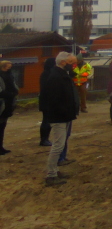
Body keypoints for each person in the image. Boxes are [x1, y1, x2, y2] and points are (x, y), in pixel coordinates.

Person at [41, 52, 79, 186]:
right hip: (59, 117)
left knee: (60, 144)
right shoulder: (55, 77)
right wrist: (65, 112)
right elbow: (54, 100)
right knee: (57, 146)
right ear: (63, 62)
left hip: (66, 115)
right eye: (71, 62)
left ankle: (55, 170)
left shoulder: (62, 75)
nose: (73, 65)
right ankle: (51, 175)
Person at [0, 61, 19, 154]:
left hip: (8, 103)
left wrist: (15, 91)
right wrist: (10, 94)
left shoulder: (10, 75)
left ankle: (1, 147)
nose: (9, 68)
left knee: (2, 125)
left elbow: (13, 85)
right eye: (7, 67)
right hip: (2, 102)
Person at [39, 57, 56, 146]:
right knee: (46, 120)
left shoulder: (46, 73)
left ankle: (45, 138)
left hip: (46, 100)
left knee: (47, 120)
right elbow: (47, 88)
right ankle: (44, 139)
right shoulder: (47, 74)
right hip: (47, 100)